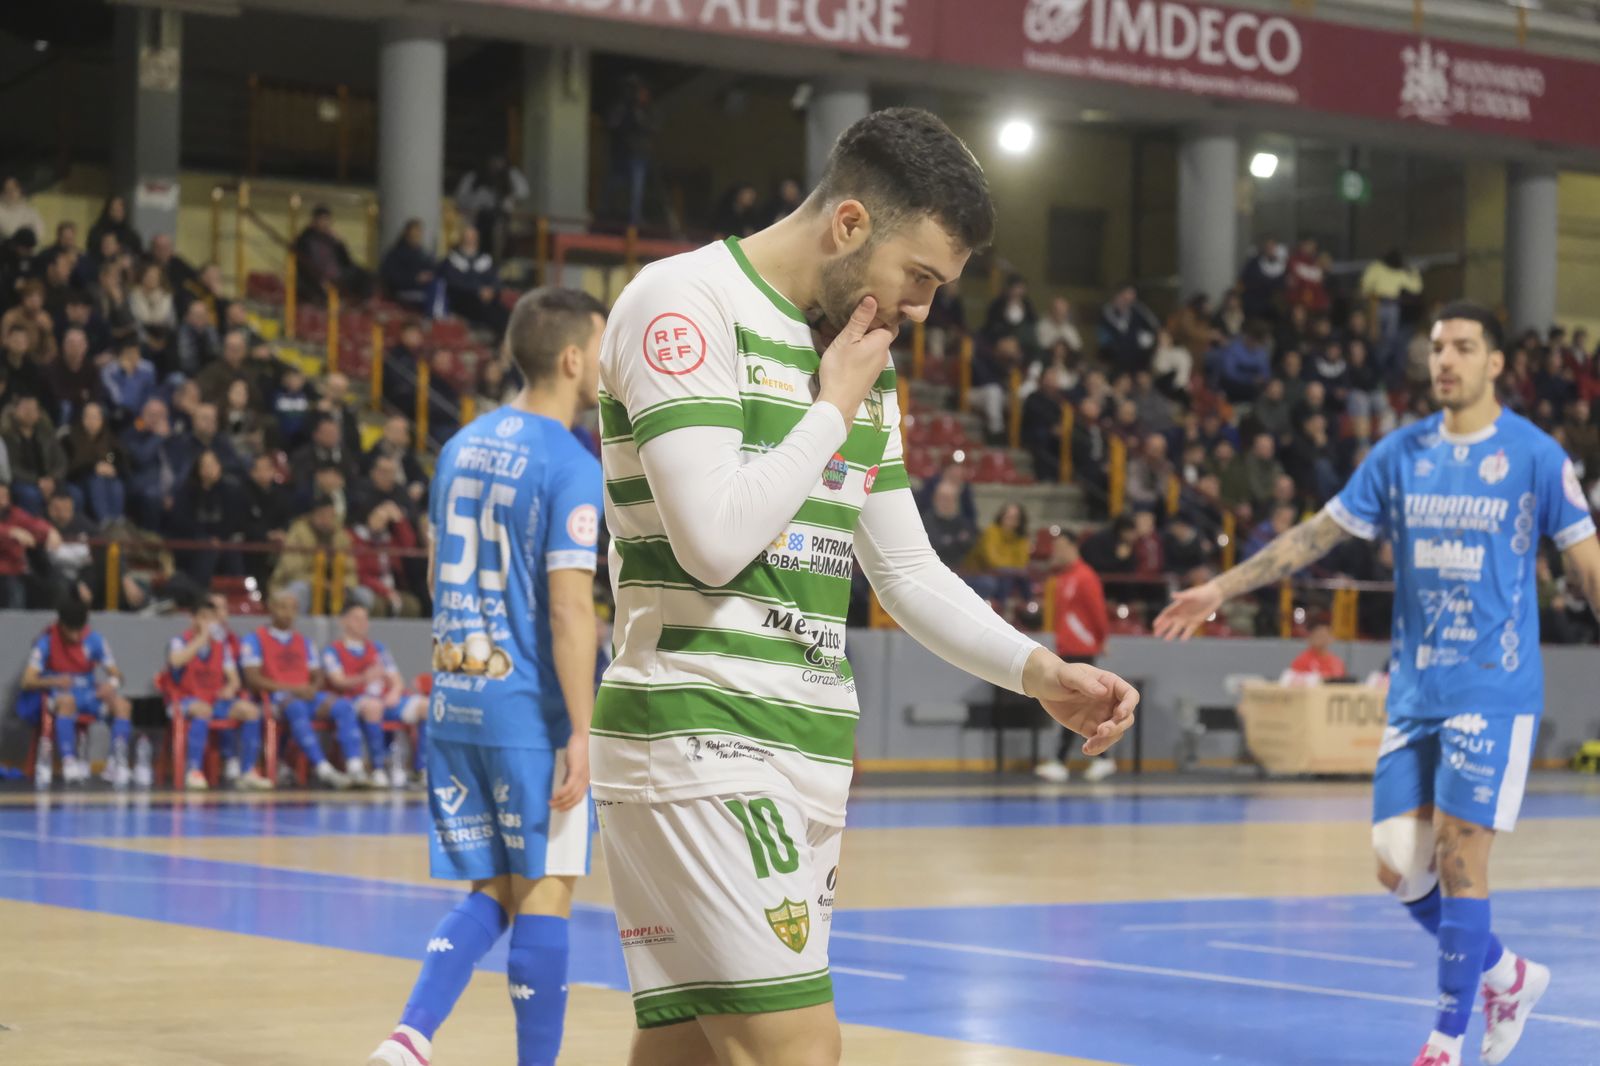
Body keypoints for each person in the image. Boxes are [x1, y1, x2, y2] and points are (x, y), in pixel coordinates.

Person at [584, 108, 1135, 1066]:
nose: (923, 308)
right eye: (918, 276)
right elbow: (713, 539)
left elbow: (907, 571)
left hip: (805, 747)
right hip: (699, 736)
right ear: (849, 225)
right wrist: (832, 404)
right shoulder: (683, 303)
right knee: (802, 1051)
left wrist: (1038, 670)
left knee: (688, 1055)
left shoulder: (859, 358)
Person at [1155, 301, 1600, 1066]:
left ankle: (1444, 1040)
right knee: (1398, 864)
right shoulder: (1400, 454)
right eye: (1436, 348)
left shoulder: (1535, 455)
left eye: (1464, 347)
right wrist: (1220, 590)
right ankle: (1507, 974)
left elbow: (1588, 566)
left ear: (1497, 364)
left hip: (1492, 688)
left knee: (1461, 858)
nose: (1446, 361)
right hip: (1415, 691)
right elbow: (1313, 536)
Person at [367, 287, 607, 1066]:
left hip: (458, 695)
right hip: (526, 710)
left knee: (495, 892)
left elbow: (439, 576)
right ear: (573, 359)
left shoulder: (459, 445)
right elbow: (573, 610)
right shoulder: (570, 463)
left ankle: (408, 1039)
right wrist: (580, 728)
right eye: (602, 346)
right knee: (547, 891)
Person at [239, 589, 358, 790]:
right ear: (271, 608)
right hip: (276, 699)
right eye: (283, 607)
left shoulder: (304, 642)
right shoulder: (254, 640)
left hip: (306, 695)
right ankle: (323, 769)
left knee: (344, 706)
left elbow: (317, 674)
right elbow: (253, 679)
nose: (288, 613)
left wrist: (313, 688)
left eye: (293, 608)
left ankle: (355, 768)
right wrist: (293, 689)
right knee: (295, 707)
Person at [18, 599, 133, 786]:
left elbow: (117, 675)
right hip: (59, 696)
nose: (77, 635)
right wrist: (53, 680)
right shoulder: (46, 642)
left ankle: (114, 763)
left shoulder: (95, 640)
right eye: (72, 630)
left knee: (123, 705)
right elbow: (27, 680)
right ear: (62, 625)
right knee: (67, 702)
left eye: (80, 629)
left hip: (88, 695)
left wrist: (111, 684)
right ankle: (69, 762)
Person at [166, 596, 268, 792]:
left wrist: (230, 688)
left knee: (251, 711)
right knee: (202, 710)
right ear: (193, 619)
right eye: (203, 617)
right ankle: (193, 770)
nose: (208, 623)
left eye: (211, 618)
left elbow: (234, 679)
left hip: (214, 700)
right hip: (185, 700)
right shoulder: (179, 642)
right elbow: (176, 662)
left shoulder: (223, 646)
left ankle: (247, 771)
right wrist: (201, 639)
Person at [323, 602, 427, 791]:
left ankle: (420, 769)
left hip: (386, 700)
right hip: (355, 701)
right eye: (357, 619)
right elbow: (337, 681)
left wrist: (395, 692)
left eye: (365, 619)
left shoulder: (378, 649)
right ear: (344, 622)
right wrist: (364, 677)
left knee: (426, 706)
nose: (363, 623)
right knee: (373, 707)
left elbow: (396, 679)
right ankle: (378, 768)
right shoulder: (334, 650)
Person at [1035, 534, 1113, 783]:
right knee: (1074, 703)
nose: (1056, 552)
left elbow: (1097, 611)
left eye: (1060, 548)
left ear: (1072, 547)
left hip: (1082, 648)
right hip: (1067, 647)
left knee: (1080, 703)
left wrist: (1102, 639)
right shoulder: (1062, 578)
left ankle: (1090, 758)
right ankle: (1092, 758)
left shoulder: (1084, 576)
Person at [270, 494, 355, 612]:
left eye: (330, 514)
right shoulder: (298, 532)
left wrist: (342, 584)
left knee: (363, 597)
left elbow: (351, 569)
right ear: (313, 514)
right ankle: (299, 629)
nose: (326, 518)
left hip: (335, 585)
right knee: (300, 590)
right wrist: (319, 582)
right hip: (300, 583)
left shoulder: (340, 535)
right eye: (322, 514)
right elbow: (291, 570)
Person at [440, 225, 508, 334]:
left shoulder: (485, 259)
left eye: (473, 237)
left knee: (504, 313)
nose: (471, 240)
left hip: (487, 299)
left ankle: (502, 342)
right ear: (462, 238)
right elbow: (454, 283)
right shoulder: (453, 259)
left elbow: (495, 279)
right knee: (487, 312)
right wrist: (478, 290)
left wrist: (491, 290)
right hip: (464, 300)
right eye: (468, 237)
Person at [379, 219, 437, 313]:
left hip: (424, 293)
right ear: (407, 234)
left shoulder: (424, 255)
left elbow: (432, 270)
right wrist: (415, 278)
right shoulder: (395, 254)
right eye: (414, 234)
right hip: (402, 294)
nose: (416, 236)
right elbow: (391, 277)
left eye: (418, 233)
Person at [0, 176, 45, 242]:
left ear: (20, 190)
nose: (11, 192)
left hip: (26, 247)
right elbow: (8, 231)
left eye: (14, 189)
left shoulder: (30, 211)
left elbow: (40, 232)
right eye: (7, 189)